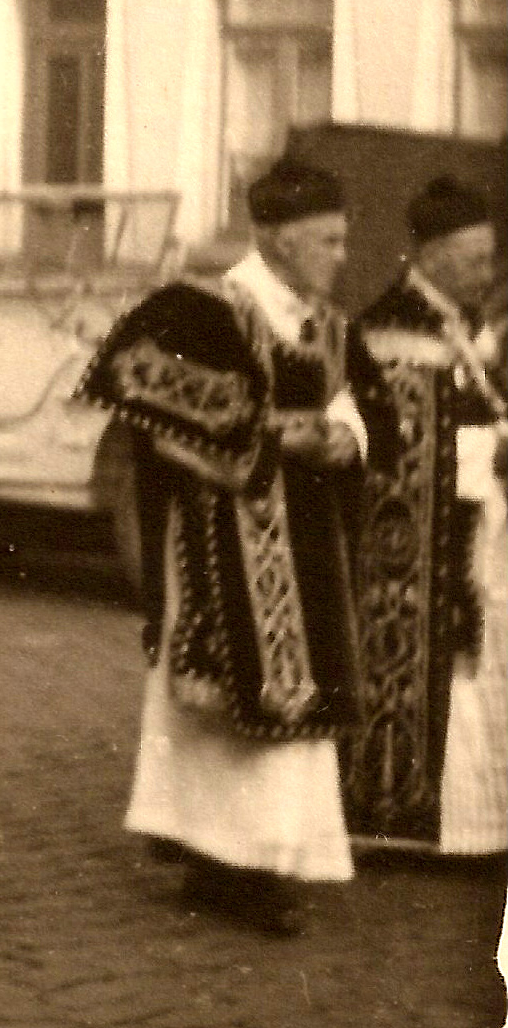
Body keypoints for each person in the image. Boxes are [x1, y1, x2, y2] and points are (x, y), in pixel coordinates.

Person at [77, 158, 367, 937]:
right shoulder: (201, 308)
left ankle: (246, 857)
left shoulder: (323, 322)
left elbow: (350, 397)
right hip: (221, 540)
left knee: (287, 699)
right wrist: (273, 435)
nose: (340, 257)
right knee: (232, 709)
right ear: (277, 238)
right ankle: (233, 865)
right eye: (328, 240)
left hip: (301, 538)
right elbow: (138, 389)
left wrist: (346, 434)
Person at [344, 174, 504, 855]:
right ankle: (412, 818)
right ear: (434, 257)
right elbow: (410, 439)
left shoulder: (453, 320)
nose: (487, 274)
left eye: (490, 259)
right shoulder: (396, 327)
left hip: (466, 522)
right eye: (475, 260)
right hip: (415, 533)